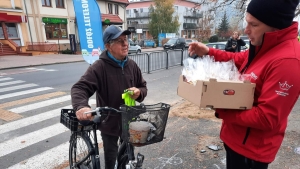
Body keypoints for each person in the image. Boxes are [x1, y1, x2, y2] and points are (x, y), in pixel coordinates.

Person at [188, 0, 300, 168]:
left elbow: (267, 117)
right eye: (246, 22)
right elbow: (238, 59)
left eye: (253, 25)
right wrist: (209, 51)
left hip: (252, 152)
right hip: (235, 140)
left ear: (275, 27)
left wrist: (222, 110)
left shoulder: (288, 61)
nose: (246, 30)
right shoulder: (263, 45)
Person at [71, 25, 147, 169]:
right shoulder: (99, 67)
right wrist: (81, 106)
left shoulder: (132, 65)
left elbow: (143, 86)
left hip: (128, 121)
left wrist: (139, 92)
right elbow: (79, 88)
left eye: (125, 39)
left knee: (126, 158)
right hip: (109, 122)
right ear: (108, 46)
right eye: (120, 41)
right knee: (111, 161)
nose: (125, 44)